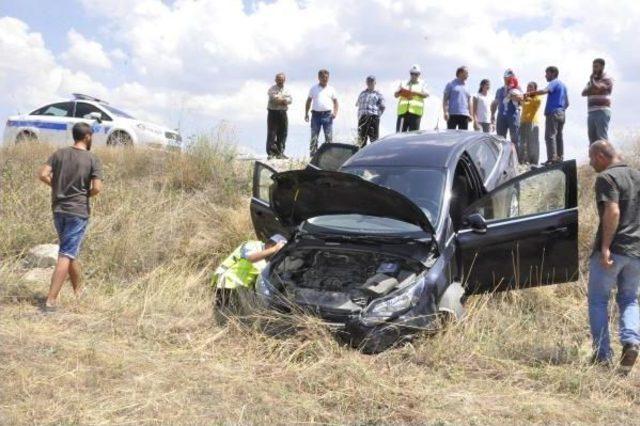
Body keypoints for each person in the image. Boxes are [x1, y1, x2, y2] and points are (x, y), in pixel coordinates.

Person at [37, 122, 103, 313]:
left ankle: (79, 292)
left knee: (69, 250)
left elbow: (42, 174)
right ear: (87, 136)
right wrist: (84, 195)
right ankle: (50, 300)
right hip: (77, 211)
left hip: (58, 209)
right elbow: (97, 188)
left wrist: (56, 187)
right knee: (66, 253)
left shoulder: (59, 154)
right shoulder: (92, 159)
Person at [587, 140, 640, 374]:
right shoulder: (637, 176)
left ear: (600, 156)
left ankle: (602, 356)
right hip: (636, 251)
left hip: (614, 250)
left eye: (591, 158)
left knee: (598, 300)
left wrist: (606, 246)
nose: (590, 163)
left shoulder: (607, 178)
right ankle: (631, 342)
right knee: (629, 299)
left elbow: (613, 210)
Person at [212, 234, 287, 300]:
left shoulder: (267, 260)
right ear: (271, 245)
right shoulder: (252, 245)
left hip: (239, 289)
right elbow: (251, 258)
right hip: (226, 283)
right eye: (279, 251)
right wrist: (274, 249)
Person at [525, 66, 569, 165]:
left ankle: (552, 159)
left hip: (553, 113)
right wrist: (561, 109)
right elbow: (567, 103)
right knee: (559, 136)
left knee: (550, 136)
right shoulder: (563, 86)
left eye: (547, 73)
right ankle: (559, 157)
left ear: (553, 73)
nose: (545, 75)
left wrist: (530, 93)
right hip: (562, 113)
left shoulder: (554, 82)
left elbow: (545, 91)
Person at [305, 69, 339, 157]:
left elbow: (335, 102)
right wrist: (306, 113)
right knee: (314, 136)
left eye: (326, 77)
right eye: (323, 77)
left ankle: (329, 155)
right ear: (319, 78)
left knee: (328, 136)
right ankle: (312, 155)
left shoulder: (331, 89)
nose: (325, 79)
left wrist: (335, 112)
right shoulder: (313, 88)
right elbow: (308, 101)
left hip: (327, 115)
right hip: (315, 115)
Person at [582, 58, 613, 143]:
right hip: (591, 112)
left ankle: (606, 156)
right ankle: (595, 156)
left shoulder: (607, 79)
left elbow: (598, 88)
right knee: (592, 139)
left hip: (602, 111)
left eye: (596, 67)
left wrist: (592, 84)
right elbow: (584, 93)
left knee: (602, 137)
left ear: (602, 67)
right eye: (593, 67)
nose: (594, 69)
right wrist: (593, 86)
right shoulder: (592, 81)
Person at [491, 69, 522, 148]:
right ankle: (502, 158)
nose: (507, 79)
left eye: (510, 77)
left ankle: (516, 159)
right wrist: (492, 115)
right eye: (506, 77)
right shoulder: (499, 90)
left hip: (513, 116)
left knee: (515, 139)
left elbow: (521, 99)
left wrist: (512, 95)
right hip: (501, 116)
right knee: (500, 139)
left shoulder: (517, 88)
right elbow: (495, 103)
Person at [394, 65, 429, 132]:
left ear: (419, 74)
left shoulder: (422, 84)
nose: (413, 76)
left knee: (412, 136)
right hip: (403, 112)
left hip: (415, 113)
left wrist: (415, 93)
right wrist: (400, 92)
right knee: (399, 135)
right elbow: (395, 95)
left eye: (415, 74)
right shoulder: (403, 83)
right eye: (412, 73)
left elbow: (426, 94)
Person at [266, 72, 292, 159]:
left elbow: (290, 100)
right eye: (278, 79)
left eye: (281, 79)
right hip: (273, 113)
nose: (280, 81)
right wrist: (284, 101)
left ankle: (280, 152)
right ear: (275, 80)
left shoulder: (287, 90)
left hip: (283, 113)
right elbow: (274, 99)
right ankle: (271, 153)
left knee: (283, 133)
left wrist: (283, 100)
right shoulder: (271, 89)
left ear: (284, 80)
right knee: (272, 133)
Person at [355, 75, 385, 147]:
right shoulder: (362, 93)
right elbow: (357, 105)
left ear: (375, 83)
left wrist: (377, 116)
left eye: (372, 81)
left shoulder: (378, 94)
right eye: (368, 81)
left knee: (374, 141)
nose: (370, 83)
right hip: (362, 118)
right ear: (366, 82)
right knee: (361, 141)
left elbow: (383, 107)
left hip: (373, 118)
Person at [519, 81, 542, 165]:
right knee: (523, 142)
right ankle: (524, 160)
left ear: (535, 89)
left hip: (532, 121)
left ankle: (534, 162)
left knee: (533, 142)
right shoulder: (525, 97)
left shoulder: (537, 97)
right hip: (523, 121)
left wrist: (528, 97)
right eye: (528, 87)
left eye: (531, 87)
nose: (528, 88)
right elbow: (520, 101)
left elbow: (537, 102)